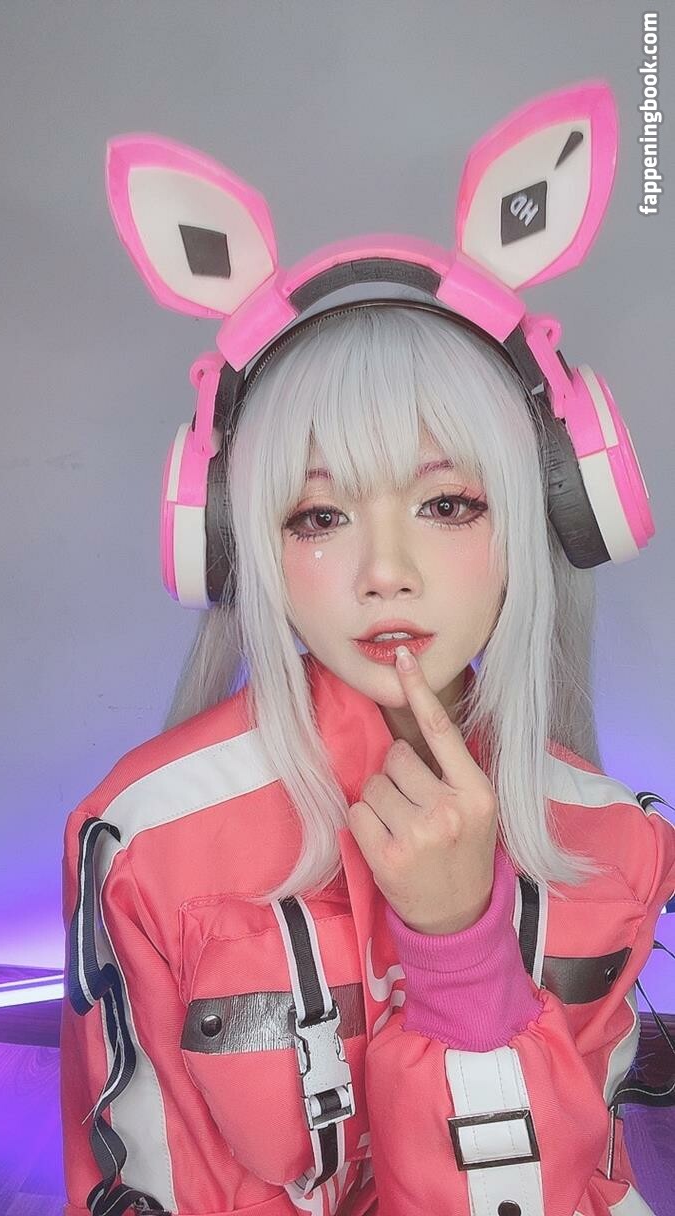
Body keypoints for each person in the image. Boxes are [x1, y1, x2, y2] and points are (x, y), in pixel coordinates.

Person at [60, 81, 675, 1216]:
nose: (384, 570)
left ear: (550, 512)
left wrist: (463, 955)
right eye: (319, 516)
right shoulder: (146, 841)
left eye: (447, 504)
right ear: (238, 541)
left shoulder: (617, 844)